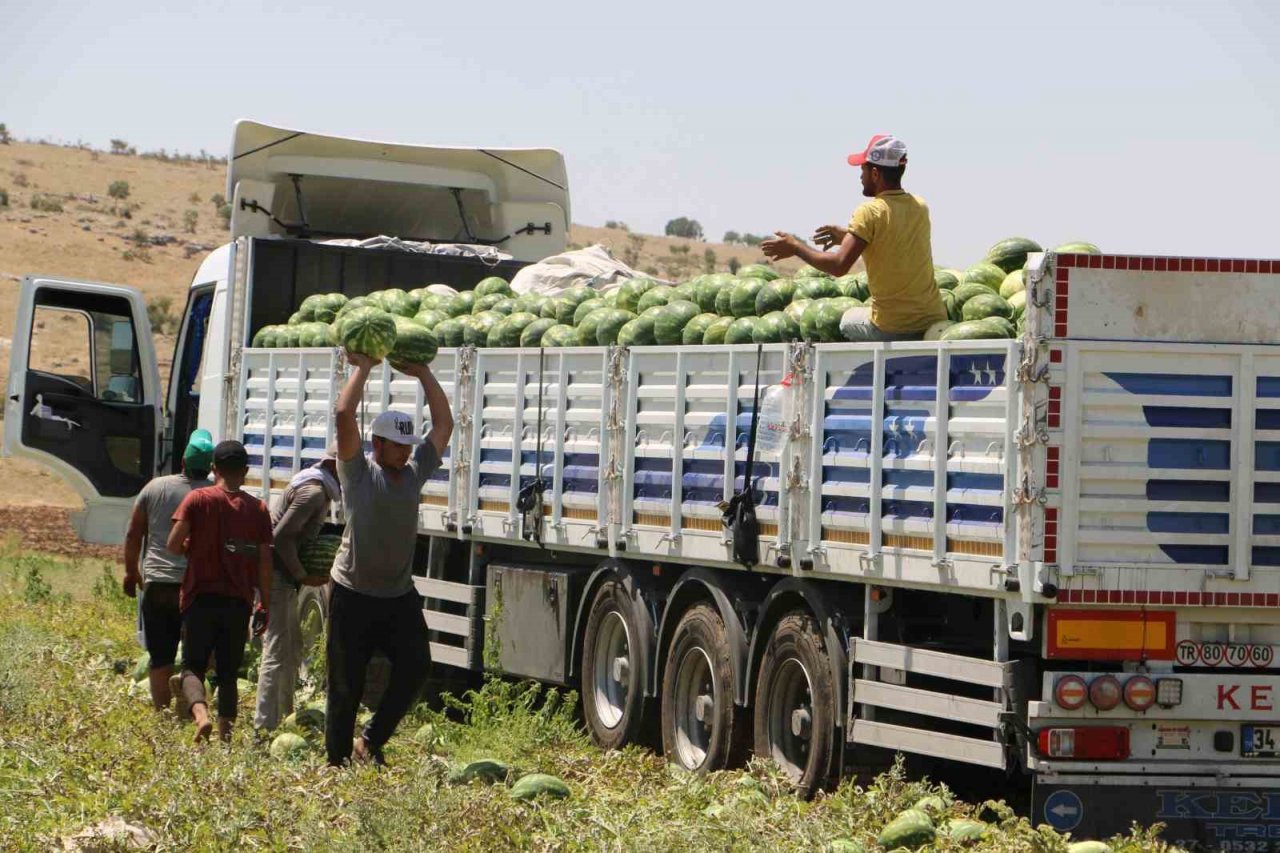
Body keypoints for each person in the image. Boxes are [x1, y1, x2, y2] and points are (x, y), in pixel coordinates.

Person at [326, 353, 453, 766]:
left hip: (397, 595)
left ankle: (371, 740)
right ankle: (337, 762)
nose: (404, 453)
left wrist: (423, 373)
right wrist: (363, 367)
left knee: (416, 668)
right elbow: (344, 413)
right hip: (353, 593)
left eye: (407, 446)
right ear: (376, 444)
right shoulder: (358, 473)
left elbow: (444, 425)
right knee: (346, 685)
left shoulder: (415, 473)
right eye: (396, 446)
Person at [761, 134, 946, 341]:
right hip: (933, 318)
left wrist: (796, 247)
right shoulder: (920, 206)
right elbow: (895, 243)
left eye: (862, 170)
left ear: (875, 174)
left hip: (892, 326)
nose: (860, 177)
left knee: (846, 319)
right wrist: (850, 237)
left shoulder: (869, 211)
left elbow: (839, 266)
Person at [167, 440, 274, 744]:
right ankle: (225, 740)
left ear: (214, 468)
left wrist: (194, 550)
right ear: (245, 471)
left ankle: (201, 716)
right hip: (237, 602)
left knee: (192, 666)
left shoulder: (197, 499)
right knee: (228, 673)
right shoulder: (258, 509)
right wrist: (264, 603)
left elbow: (174, 544)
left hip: (199, 597)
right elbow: (265, 562)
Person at [122, 430, 214, 710]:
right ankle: (192, 707)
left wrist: (131, 572)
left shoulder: (154, 488)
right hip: (196, 588)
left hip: (159, 583)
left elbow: (133, 534)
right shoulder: (214, 495)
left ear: (183, 461)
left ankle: (161, 715)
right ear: (210, 466)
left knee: (160, 656)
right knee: (195, 656)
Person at [254, 448, 340, 731]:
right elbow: (279, 538)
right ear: (332, 465)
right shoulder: (313, 493)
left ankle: (284, 717)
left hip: (283, 577)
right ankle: (263, 728)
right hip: (277, 576)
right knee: (277, 650)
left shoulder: (317, 488)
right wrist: (303, 575)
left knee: (291, 649)